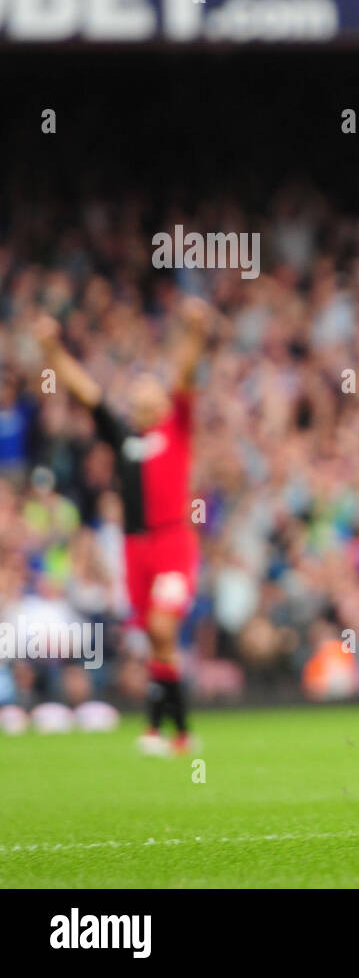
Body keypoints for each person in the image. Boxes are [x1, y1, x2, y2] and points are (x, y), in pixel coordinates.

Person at [36, 298, 210, 756]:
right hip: (135, 547)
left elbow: (187, 376)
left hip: (171, 540)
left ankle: (171, 730)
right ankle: (172, 732)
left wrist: (194, 333)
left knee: (162, 627)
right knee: (154, 639)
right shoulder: (125, 437)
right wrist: (53, 354)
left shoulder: (176, 428)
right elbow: (87, 393)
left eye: (148, 388)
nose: (140, 393)